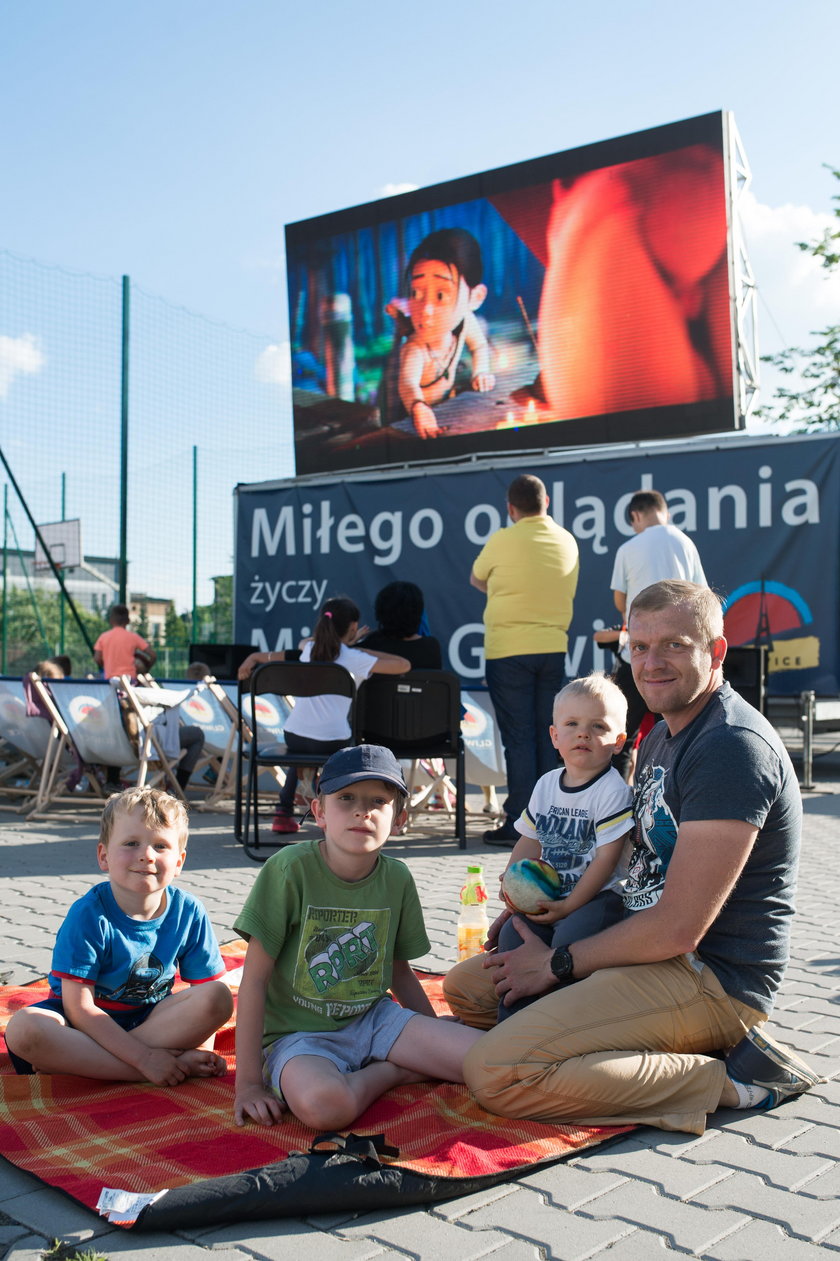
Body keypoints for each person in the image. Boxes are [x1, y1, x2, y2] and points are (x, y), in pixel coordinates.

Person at [444, 580, 821, 1134]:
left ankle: (736, 1080)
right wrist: (543, 912)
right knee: (469, 990)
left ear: (715, 651)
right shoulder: (665, 732)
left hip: (707, 977)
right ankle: (610, 1051)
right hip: (640, 944)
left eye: (674, 645)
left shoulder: (730, 747)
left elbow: (678, 929)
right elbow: (631, 867)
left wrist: (555, 965)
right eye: (639, 647)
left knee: (496, 1070)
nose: (651, 663)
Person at [232, 744, 483, 1130]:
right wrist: (248, 1084)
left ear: (399, 819)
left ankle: (393, 1063)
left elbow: (400, 972)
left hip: (376, 1021)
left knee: (486, 1063)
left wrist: (430, 1032)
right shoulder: (287, 870)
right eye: (346, 797)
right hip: (300, 1037)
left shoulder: (397, 878)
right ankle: (392, 1073)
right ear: (319, 812)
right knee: (325, 1107)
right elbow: (253, 981)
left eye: (378, 801)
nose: (361, 811)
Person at [5, 786, 233, 1082]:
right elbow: (79, 1008)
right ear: (104, 856)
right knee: (25, 1029)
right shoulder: (88, 914)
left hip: (151, 1017)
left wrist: (201, 1047)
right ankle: (150, 1068)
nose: (147, 856)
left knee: (218, 996)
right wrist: (145, 1059)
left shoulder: (189, 911)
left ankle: (86, 1065)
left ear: (179, 862)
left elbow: (206, 989)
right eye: (131, 843)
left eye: (161, 846)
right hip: (80, 1024)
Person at [492, 673, 633, 1022]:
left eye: (598, 726)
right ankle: (511, 1021)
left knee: (569, 940)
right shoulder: (546, 784)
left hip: (599, 898)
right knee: (513, 934)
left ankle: (561, 1023)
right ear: (555, 736)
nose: (583, 733)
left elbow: (606, 860)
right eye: (571, 723)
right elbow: (530, 840)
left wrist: (570, 905)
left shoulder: (612, 791)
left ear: (618, 741)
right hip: (552, 894)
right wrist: (513, 888)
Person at [237, 596, 411, 835]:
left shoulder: (308, 649)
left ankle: (283, 811)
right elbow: (403, 665)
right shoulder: (355, 659)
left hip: (294, 735)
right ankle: (330, 816)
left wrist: (345, 641)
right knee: (335, 752)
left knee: (299, 754)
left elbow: (304, 642)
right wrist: (357, 647)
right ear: (352, 628)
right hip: (333, 740)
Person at [471, 473, 579, 846]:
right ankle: (550, 821)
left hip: (508, 650)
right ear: (546, 502)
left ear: (510, 508)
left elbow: (476, 579)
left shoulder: (501, 540)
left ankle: (519, 823)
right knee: (551, 737)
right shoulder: (567, 540)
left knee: (519, 740)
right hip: (551, 648)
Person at [607, 489, 707, 778]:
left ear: (636, 516)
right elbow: (703, 596)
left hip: (639, 652)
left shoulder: (628, 548)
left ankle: (614, 808)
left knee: (622, 734)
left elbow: (619, 601)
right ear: (665, 512)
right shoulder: (686, 543)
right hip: (682, 652)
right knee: (688, 729)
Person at [384, 228, 495, 439]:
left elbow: (479, 346)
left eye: (441, 295)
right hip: (414, 426)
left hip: (447, 412)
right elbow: (407, 383)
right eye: (416, 294)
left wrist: (481, 371)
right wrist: (419, 408)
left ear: (476, 297)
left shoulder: (465, 322)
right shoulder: (415, 349)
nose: (425, 309)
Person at [356, 580, 442, 669]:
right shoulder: (431, 647)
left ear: (380, 612)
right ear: (419, 613)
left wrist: (348, 644)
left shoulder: (368, 646)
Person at [94, 603, 156, 681]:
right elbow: (153, 655)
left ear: (111, 620)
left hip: (110, 679)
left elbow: (97, 658)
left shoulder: (103, 637)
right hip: (130, 680)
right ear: (128, 621)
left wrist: (106, 665)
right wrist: (146, 669)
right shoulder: (133, 637)